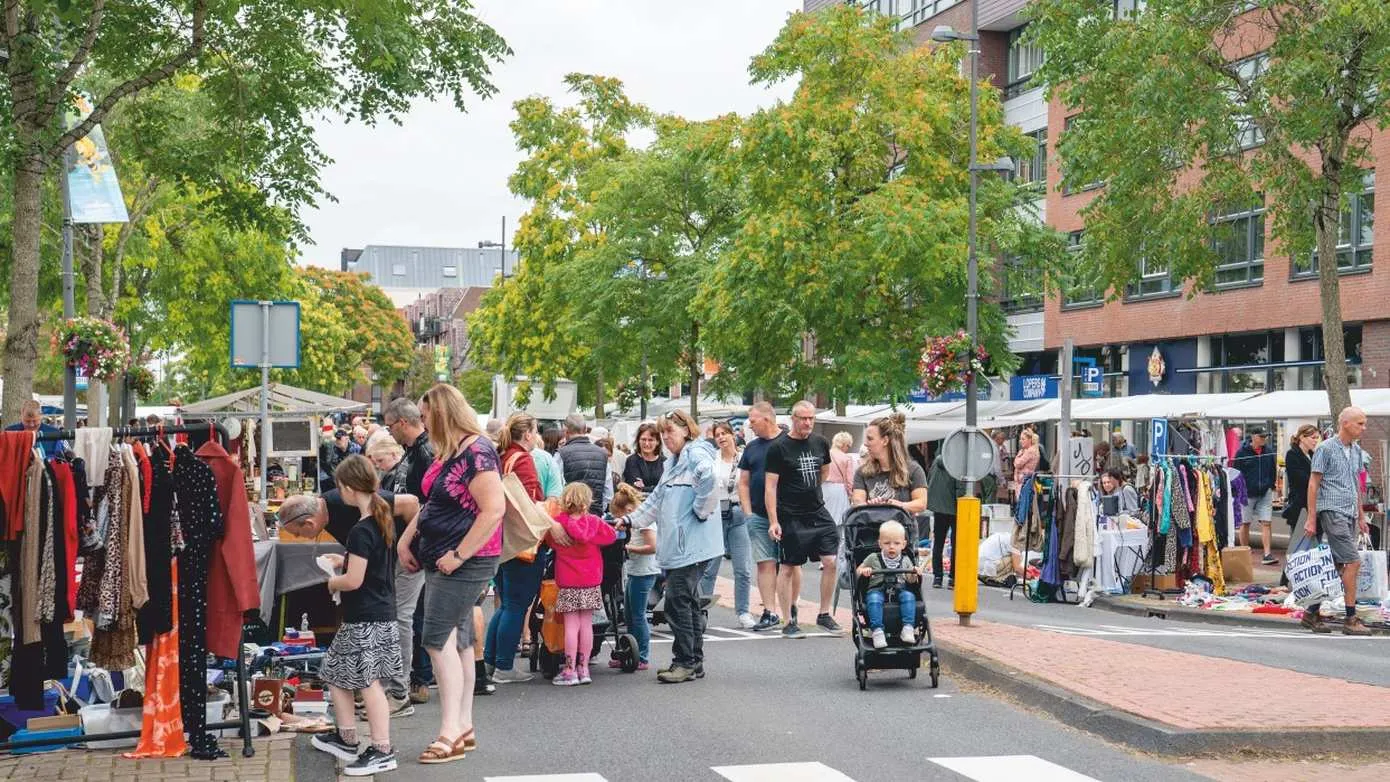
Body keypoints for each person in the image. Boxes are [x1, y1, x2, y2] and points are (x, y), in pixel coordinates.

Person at [396, 384, 503, 764]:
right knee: (457, 643)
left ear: (440, 414)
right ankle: (463, 726)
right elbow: (431, 504)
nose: (423, 424)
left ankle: (450, 732)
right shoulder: (452, 450)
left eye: (425, 417)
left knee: (436, 640)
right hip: (444, 556)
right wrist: (407, 540)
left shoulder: (477, 452)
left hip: (463, 560)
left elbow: (493, 509)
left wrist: (458, 555)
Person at [278, 490, 421, 719]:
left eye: (298, 533)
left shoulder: (344, 502)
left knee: (398, 618)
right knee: (382, 620)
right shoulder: (329, 510)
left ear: (309, 522)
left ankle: (398, 694)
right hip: (386, 561)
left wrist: (405, 546)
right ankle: (379, 692)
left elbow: (412, 503)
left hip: (404, 560)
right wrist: (347, 560)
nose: (300, 539)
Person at [310, 456, 402, 776]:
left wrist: (332, 581)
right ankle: (347, 737)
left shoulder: (360, 529)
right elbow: (370, 563)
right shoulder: (381, 519)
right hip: (377, 613)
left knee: (368, 683)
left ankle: (382, 748)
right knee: (335, 672)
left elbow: (353, 581)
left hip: (365, 617)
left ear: (348, 489)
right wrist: (345, 558)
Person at [623, 410, 721, 683]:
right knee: (686, 602)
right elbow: (655, 500)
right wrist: (630, 519)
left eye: (670, 432)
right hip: (685, 546)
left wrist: (700, 512)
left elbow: (710, 478)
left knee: (677, 602)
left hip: (692, 546)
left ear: (686, 431)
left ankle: (685, 662)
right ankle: (693, 662)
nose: (666, 438)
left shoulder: (694, 454)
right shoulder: (674, 462)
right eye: (663, 432)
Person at [766, 400, 842, 639]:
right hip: (790, 515)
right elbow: (770, 486)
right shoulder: (779, 447)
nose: (807, 422)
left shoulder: (820, 443)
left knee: (830, 561)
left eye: (811, 418)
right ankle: (788, 620)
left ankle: (824, 613)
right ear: (793, 419)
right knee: (789, 566)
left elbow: (825, 470)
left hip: (817, 512)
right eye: (803, 418)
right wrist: (773, 520)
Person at [483, 414, 546, 684]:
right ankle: (504, 666)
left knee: (506, 603)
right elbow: (530, 502)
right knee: (517, 604)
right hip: (521, 541)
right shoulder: (523, 459)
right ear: (529, 434)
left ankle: (491, 660)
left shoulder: (501, 455)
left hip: (500, 538)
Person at [382, 397, 436, 705]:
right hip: (408, 546)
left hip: (414, 548)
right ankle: (405, 680)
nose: (390, 433)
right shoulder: (414, 453)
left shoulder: (424, 454)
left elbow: (428, 506)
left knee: (405, 616)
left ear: (403, 423)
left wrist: (408, 543)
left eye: (390, 426)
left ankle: (402, 685)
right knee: (406, 615)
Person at [1302, 406, 1372, 636]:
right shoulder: (1325, 448)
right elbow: (1313, 484)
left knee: (1335, 565)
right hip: (1332, 510)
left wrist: (1361, 515)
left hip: (1349, 512)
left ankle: (1311, 612)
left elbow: (1356, 486)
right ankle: (1350, 619)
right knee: (1353, 562)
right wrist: (1311, 518)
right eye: (1360, 423)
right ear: (1346, 424)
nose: (1364, 427)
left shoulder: (1356, 451)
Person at [544, 482, 618, 686]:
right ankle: (583, 669)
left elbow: (550, 542)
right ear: (587, 501)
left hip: (568, 581)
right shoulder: (594, 522)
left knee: (571, 625)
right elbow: (611, 537)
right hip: (591, 580)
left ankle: (569, 670)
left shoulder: (559, 523)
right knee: (586, 624)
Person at [700, 421, 756, 629]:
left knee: (743, 568)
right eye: (718, 435)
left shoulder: (743, 459)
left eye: (725, 433)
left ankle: (743, 611)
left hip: (737, 510)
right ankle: (700, 610)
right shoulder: (712, 460)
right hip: (716, 513)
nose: (722, 437)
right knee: (710, 567)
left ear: (733, 435)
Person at [739, 402, 785, 631]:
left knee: (788, 564)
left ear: (767, 419)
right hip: (757, 514)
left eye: (753, 420)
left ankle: (789, 611)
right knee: (764, 563)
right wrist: (748, 513)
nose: (750, 425)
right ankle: (770, 611)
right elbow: (744, 482)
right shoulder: (752, 447)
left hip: (787, 514)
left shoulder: (788, 442)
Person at [926, 454, 998, 589]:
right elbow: (960, 488)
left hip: (939, 508)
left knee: (938, 543)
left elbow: (930, 479)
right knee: (956, 544)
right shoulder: (957, 464)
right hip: (955, 508)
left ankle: (937, 577)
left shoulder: (937, 460)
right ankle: (952, 578)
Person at [854, 520, 921, 649]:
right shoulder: (873, 558)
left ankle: (908, 627)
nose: (891, 547)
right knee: (873, 599)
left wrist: (914, 573)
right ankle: (877, 631)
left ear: (903, 544)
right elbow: (857, 571)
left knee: (909, 596)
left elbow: (911, 580)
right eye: (887, 543)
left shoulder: (905, 559)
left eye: (896, 543)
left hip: (900, 590)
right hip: (877, 589)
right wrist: (864, 571)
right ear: (880, 544)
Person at [612, 484, 655, 670]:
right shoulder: (635, 520)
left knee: (638, 616)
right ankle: (630, 651)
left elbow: (652, 547)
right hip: (634, 571)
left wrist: (628, 548)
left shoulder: (644, 522)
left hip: (644, 572)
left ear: (628, 510)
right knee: (630, 615)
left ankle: (643, 656)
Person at [851, 414, 928, 514]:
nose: (865, 443)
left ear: (885, 441)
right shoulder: (862, 472)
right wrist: (870, 506)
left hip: (902, 528)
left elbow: (921, 504)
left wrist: (899, 505)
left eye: (870, 439)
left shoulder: (913, 469)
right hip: (871, 527)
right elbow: (858, 503)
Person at [1236, 426, 1279, 565]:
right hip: (1247, 492)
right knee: (1245, 522)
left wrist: (1271, 485)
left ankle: (1267, 554)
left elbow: (1273, 469)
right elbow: (1236, 472)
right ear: (1253, 436)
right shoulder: (1242, 453)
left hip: (1264, 491)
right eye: (1261, 436)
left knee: (1266, 522)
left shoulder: (1269, 452)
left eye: (1265, 436)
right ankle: (1245, 551)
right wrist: (1239, 490)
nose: (1264, 439)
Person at [556, 414, 610, 516]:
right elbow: (608, 491)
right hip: (595, 514)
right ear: (585, 429)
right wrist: (598, 510)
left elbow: (557, 487)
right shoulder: (602, 454)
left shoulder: (561, 454)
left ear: (565, 431)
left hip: (569, 515)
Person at [1283, 424, 1320, 562]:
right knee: (1298, 545)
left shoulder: (1313, 454)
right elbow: (1300, 479)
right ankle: (1289, 579)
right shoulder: (1292, 454)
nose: (1315, 441)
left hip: (1314, 504)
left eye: (1317, 438)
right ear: (1302, 437)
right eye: (1313, 438)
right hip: (1300, 505)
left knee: (1314, 547)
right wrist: (1317, 479)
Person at [823, 431, 857, 525]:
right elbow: (849, 480)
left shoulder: (824, 454)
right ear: (844, 444)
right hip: (839, 490)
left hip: (823, 488)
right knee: (840, 519)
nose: (847, 448)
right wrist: (851, 495)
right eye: (848, 446)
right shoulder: (847, 458)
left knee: (825, 517)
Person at [623, 422, 665, 494]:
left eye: (651, 440)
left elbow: (666, 488)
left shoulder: (665, 462)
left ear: (657, 442)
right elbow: (634, 488)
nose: (647, 443)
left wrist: (644, 488)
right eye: (643, 439)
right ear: (638, 441)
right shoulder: (632, 461)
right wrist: (656, 488)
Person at [1013, 429, 1041, 493]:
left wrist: (1019, 454)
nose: (1021, 441)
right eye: (1020, 439)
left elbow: (1017, 464)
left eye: (1023, 439)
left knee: (1023, 502)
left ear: (1029, 440)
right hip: (1024, 481)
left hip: (1024, 482)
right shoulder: (1030, 450)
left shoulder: (1030, 451)